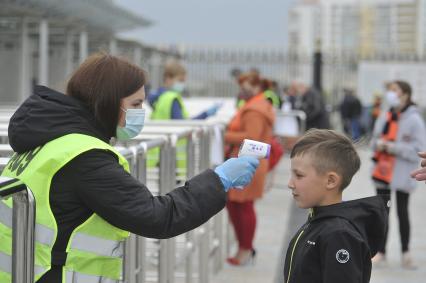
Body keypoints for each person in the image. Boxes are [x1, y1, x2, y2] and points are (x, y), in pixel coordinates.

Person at [0, 53, 260, 283]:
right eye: (135, 104)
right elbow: (157, 217)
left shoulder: (47, 140)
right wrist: (219, 179)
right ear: (108, 101)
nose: (141, 112)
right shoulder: (85, 157)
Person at [284, 129, 387, 283]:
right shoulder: (319, 219)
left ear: (331, 181)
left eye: (299, 175)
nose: (290, 184)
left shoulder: (339, 235)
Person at [370, 80, 426, 269]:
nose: (391, 94)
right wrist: (379, 145)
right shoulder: (386, 115)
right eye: (390, 90)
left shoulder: (414, 119)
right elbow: (374, 139)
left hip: (402, 173)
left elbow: (419, 149)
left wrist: (394, 148)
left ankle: (406, 253)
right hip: (383, 172)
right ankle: (381, 252)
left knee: (403, 212)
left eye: (395, 90)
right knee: (382, 213)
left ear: (406, 94)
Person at [224, 72, 275, 266]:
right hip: (248, 161)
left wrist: (226, 135)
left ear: (255, 86)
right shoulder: (257, 105)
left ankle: (245, 249)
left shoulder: (255, 109)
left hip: (249, 163)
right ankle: (243, 248)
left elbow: (252, 137)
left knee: (243, 207)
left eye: (244, 85)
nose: (241, 90)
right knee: (236, 205)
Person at [148, 59, 220, 120]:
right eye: (180, 80)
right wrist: (205, 114)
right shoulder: (172, 98)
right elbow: (182, 124)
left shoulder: (158, 96)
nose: (182, 84)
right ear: (168, 78)